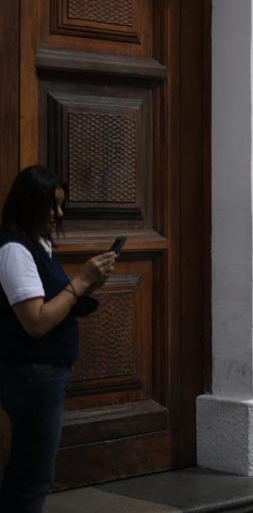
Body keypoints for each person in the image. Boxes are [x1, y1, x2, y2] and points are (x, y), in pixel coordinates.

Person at [0, 165, 116, 512]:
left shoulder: (38, 245)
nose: (58, 215)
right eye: (51, 206)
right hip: (32, 375)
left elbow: (53, 302)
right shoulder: (15, 251)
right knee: (32, 475)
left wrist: (82, 290)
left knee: (30, 470)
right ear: (28, 204)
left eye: (62, 205)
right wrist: (79, 282)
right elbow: (36, 322)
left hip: (42, 374)